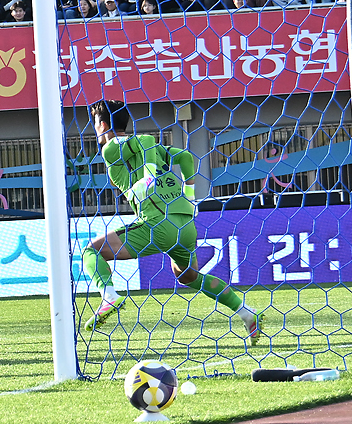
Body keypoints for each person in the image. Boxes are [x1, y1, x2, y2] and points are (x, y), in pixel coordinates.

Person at [80, 101, 261, 342]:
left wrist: (148, 177)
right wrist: (190, 195)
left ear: (102, 125)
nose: (94, 129)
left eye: (95, 123)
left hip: (158, 224)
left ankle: (109, 296)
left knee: (92, 251)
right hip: (186, 225)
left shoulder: (112, 147)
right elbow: (185, 157)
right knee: (188, 276)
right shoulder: (153, 149)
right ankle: (246, 313)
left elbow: (145, 139)